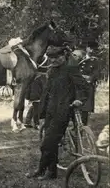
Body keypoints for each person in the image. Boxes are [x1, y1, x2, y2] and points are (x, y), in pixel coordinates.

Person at [26, 45, 89, 180]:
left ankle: (41, 170)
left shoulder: (70, 69)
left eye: (56, 58)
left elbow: (84, 86)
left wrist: (79, 100)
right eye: (51, 58)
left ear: (63, 57)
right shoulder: (52, 71)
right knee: (51, 143)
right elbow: (46, 93)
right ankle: (50, 172)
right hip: (50, 111)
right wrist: (41, 113)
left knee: (47, 144)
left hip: (63, 111)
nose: (53, 61)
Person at [78, 43, 99, 126]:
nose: (92, 50)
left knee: (85, 109)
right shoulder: (80, 58)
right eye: (91, 48)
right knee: (77, 106)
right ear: (87, 49)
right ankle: (76, 127)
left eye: (94, 49)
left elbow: (95, 74)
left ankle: (83, 127)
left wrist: (88, 79)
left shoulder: (95, 61)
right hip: (78, 86)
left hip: (87, 87)